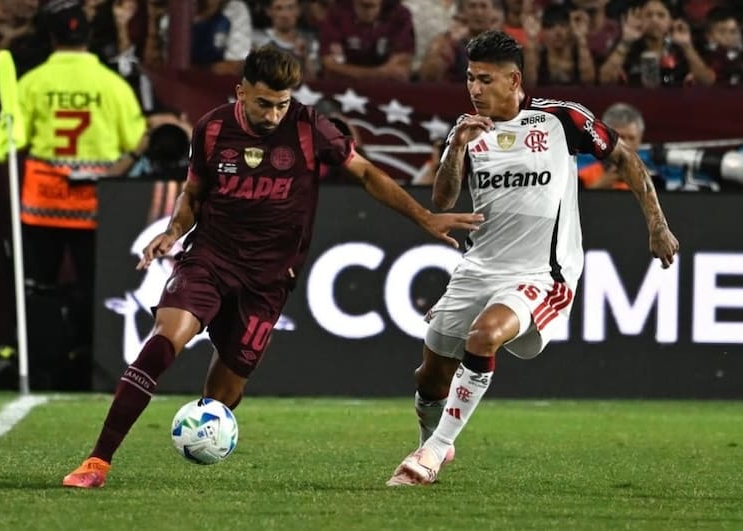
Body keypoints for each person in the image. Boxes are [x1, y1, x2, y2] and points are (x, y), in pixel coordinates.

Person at [62, 44, 482, 488]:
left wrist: (423, 215)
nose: (274, 114)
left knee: (222, 398)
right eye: (264, 103)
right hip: (210, 259)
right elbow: (193, 194)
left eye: (282, 103)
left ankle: (205, 429)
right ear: (240, 91)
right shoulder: (212, 129)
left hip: (267, 283)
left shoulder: (308, 126)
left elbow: (365, 174)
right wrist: (173, 231)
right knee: (165, 340)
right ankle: (98, 461)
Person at [385, 30, 679, 486]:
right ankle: (436, 443)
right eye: (469, 79)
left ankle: (431, 452)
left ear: (514, 79)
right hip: (477, 268)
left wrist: (657, 223)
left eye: (484, 79)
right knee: (429, 379)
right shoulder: (467, 130)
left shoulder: (560, 120)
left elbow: (626, 159)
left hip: (543, 273)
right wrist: (457, 146)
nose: (474, 89)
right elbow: (443, 200)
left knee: (484, 337)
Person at [0, 0, 147, 388]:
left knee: (39, 288)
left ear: (50, 36)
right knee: (96, 287)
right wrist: (121, 163)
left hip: (41, 202)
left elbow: (6, 145)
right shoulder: (112, 84)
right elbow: (137, 138)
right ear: (89, 36)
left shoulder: (32, 83)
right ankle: (89, 364)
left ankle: (41, 364)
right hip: (97, 205)